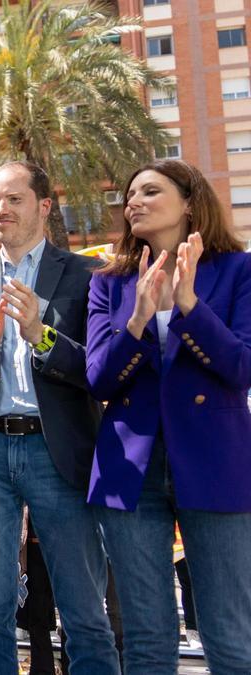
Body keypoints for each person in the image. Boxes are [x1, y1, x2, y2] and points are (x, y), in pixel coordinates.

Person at [0, 161, 120, 673]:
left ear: (44, 206)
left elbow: (100, 370)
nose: (0, 210)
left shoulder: (87, 276)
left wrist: (42, 333)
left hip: (57, 451)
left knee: (83, 609)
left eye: (13, 199)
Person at [85, 159, 251, 674]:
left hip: (215, 465)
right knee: (147, 639)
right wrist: (136, 319)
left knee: (230, 635)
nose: (133, 202)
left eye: (150, 192)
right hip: (128, 471)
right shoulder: (109, 283)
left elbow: (242, 368)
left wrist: (188, 304)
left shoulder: (238, 270)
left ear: (189, 201)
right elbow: (98, 380)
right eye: (129, 195)